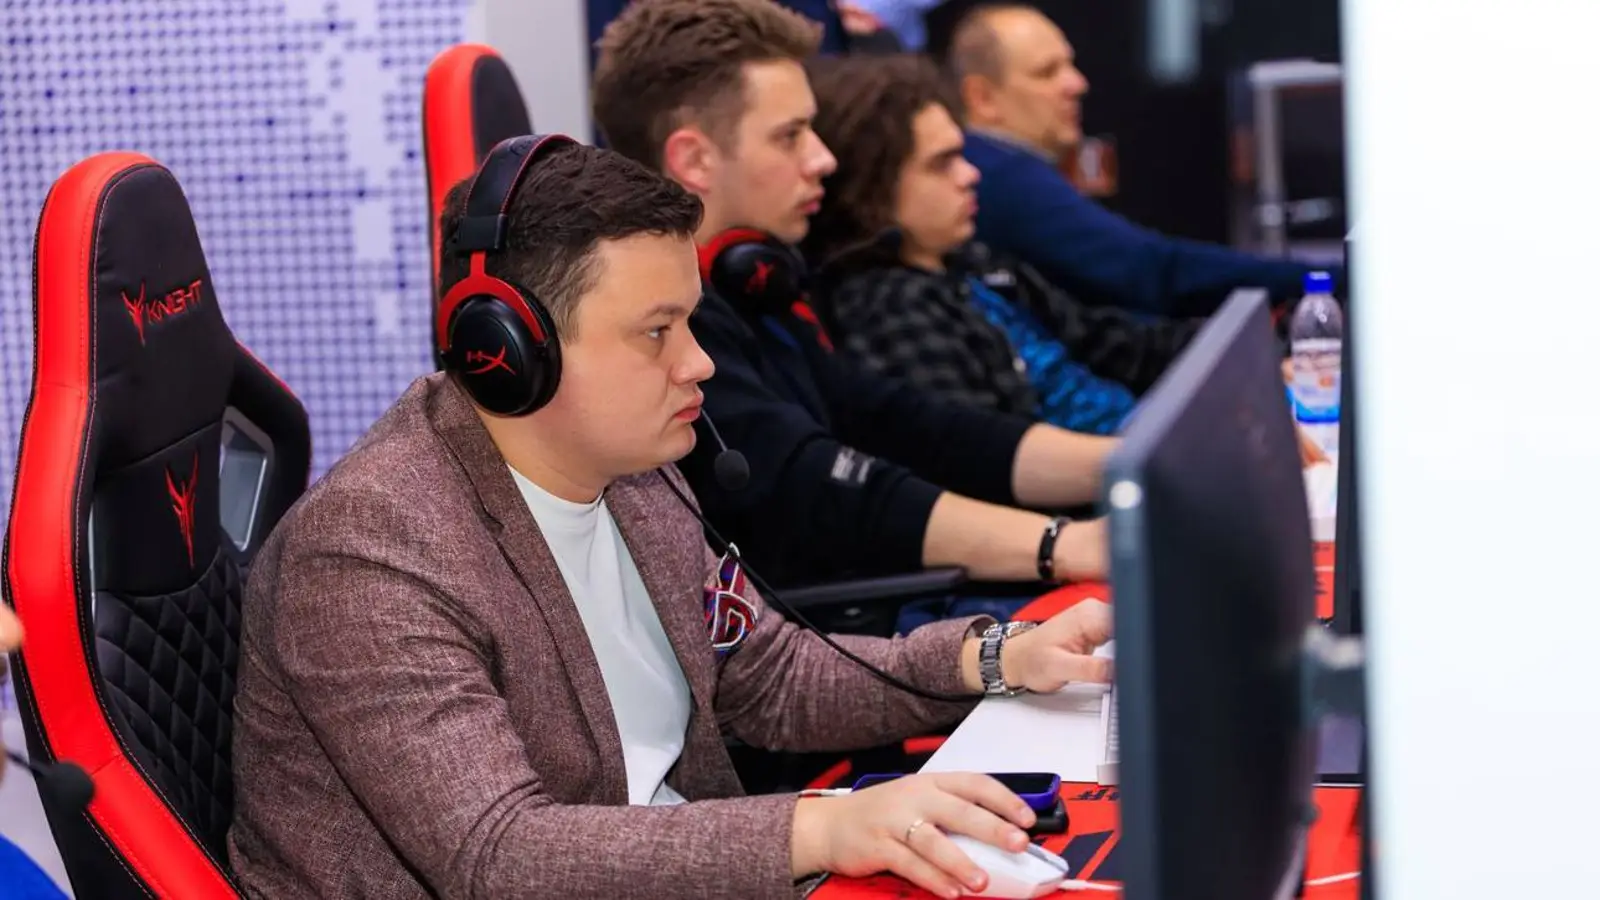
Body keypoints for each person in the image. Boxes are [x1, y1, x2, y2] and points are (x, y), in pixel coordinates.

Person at [226, 137, 1116, 899]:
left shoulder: (637, 475)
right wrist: (820, 828)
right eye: (657, 331)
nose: (698, 364)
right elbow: (498, 854)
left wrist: (992, 657)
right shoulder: (368, 556)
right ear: (510, 350)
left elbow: (770, 679)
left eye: (691, 323)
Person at [592, 0, 1118, 620]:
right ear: (695, 159)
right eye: (790, 135)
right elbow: (825, 487)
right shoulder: (671, 334)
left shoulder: (759, 292)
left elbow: (916, 426)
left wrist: (1128, 463)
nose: (823, 158)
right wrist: (1061, 545)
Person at [805, 53, 1202, 436]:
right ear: (871, 189)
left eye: (962, 155)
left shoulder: (973, 262)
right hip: (1097, 473)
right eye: (942, 164)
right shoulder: (889, 312)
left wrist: (1227, 342)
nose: (970, 174)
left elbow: (1111, 343)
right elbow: (983, 456)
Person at [948, 3, 1340, 317]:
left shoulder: (994, 165)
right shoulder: (1003, 175)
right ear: (982, 97)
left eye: (1069, 65)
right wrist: (1323, 279)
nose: (1077, 84)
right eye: (1047, 72)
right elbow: (1151, 271)